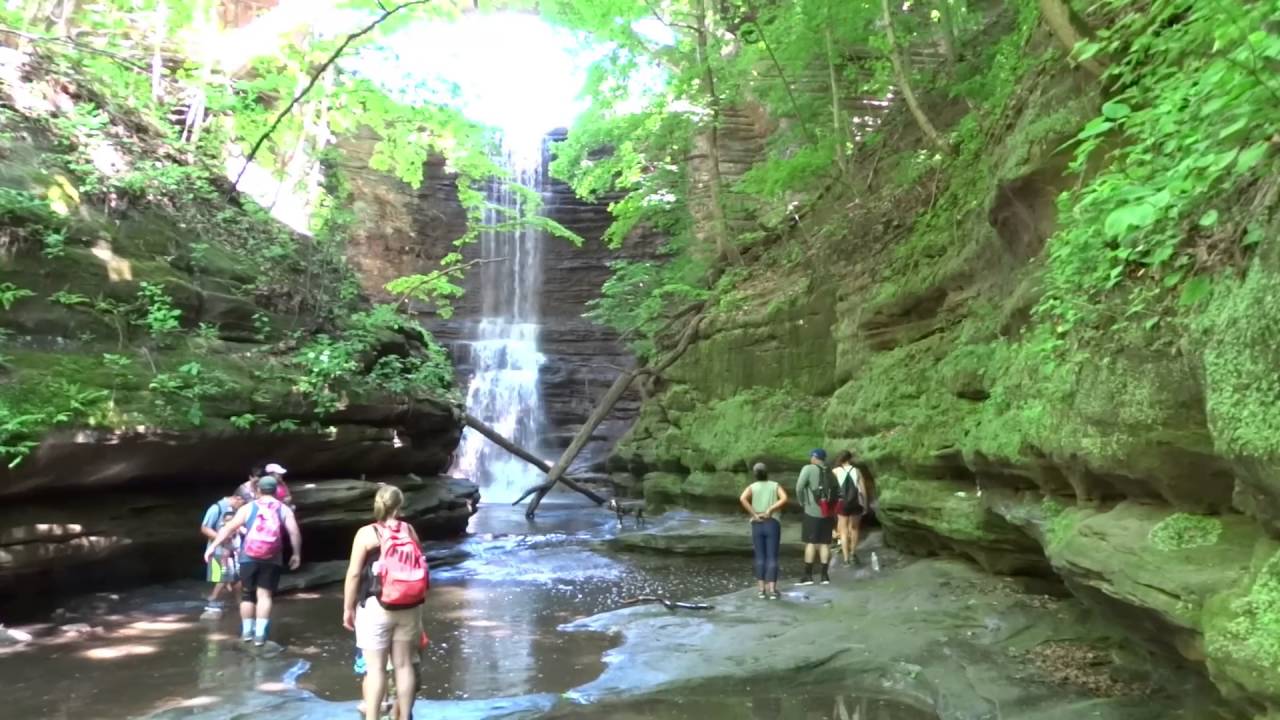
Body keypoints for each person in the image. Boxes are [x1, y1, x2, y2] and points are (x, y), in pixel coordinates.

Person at [344, 485, 428, 720]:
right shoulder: (409, 530)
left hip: (375, 606)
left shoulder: (366, 533)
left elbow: (353, 574)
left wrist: (348, 608)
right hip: (409, 606)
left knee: (376, 669)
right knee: (404, 666)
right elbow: (420, 565)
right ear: (400, 506)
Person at [204, 475, 302, 652]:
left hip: (248, 556)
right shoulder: (284, 509)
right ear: (276, 491)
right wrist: (296, 553)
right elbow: (294, 533)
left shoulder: (248, 508)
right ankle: (259, 635)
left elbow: (228, 528)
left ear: (258, 490)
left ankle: (247, 633)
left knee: (248, 595)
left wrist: (213, 547)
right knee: (265, 596)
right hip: (272, 557)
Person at [739, 462, 788, 600]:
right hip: (772, 522)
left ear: (755, 474)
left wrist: (754, 514)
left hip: (757, 523)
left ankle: (761, 590)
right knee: (772, 556)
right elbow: (784, 498)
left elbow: (742, 498)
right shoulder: (775, 485)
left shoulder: (752, 487)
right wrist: (770, 510)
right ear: (767, 473)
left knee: (760, 557)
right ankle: (772, 590)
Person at [199, 491, 244, 620]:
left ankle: (240, 604)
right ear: (236, 498)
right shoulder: (216, 508)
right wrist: (222, 538)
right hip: (218, 550)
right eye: (242, 503)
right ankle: (212, 603)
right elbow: (205, 528)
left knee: (236, 579)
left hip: (232, 551)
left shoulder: (234, 509)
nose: (242, 506)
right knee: (223, 578)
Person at [795, 448, 836, 585]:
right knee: (825, 543)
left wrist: (802, 502)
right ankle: (824, 576)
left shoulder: (808, 468)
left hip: (812, 511)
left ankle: (808, 576)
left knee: (811, 543)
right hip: (828, 512)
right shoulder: (830, 471)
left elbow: (799, 487)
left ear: (814, 457)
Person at [834, 450, 868, 566]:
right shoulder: (857, 471)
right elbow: (862, 490)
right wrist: (865, 504)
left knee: (843, 531)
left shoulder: (835, 471)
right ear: (850, 459)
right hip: (856, 503)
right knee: (854, 529)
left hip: (842, 502)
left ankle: (845, 558)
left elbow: (832, 489)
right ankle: (853, 553)